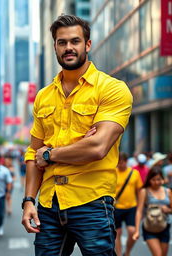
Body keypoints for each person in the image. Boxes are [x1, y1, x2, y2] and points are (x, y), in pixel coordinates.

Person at [21, 14, 133, 255]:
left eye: (75, 41)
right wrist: (29, 200)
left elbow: (97, 148)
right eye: (62, 42)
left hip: (91, 202)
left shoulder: (112, 89)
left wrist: (50, 154)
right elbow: (33, 152)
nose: (68, 48)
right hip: (49, 204)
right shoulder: (43, 96)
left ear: (88, 45)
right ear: (55, 46)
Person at [133, 166, 172, 256]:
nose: (156, 182)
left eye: (159, 179)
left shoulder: (168, 191)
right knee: (158, 254)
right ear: (149, 179)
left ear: (162, 179)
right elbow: (139, 211)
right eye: (153, 179)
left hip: (165, 226)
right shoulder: (144, 191)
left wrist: (168, 210)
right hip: (149, 226)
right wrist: (137, 231)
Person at [114, 152, 143, 256]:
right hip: (116, 207)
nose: (120, 165)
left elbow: (139, 190)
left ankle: (127, 251)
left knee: (132, 231)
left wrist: (141, 205)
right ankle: (118, 253)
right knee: (117, 233)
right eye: (119, 163)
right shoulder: (113, 172)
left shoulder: (134, 173)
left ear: (126, 162)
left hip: (131, 206)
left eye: (122, 162)